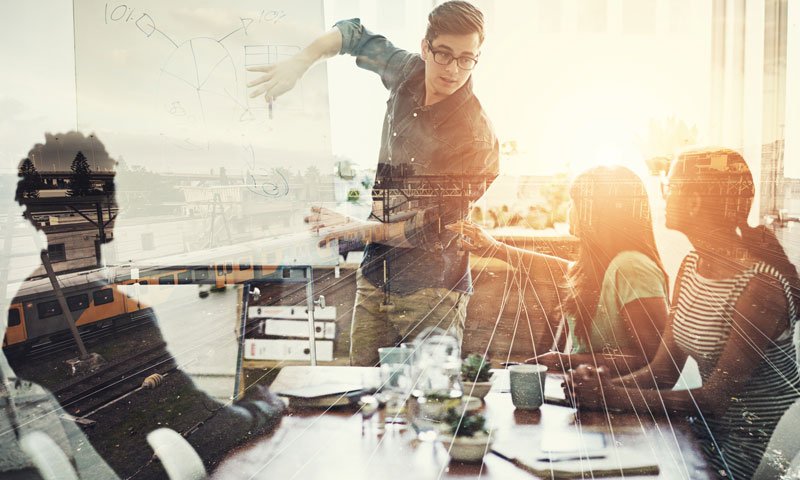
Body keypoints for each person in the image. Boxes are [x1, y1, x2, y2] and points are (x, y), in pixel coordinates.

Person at [7, 132, 284, 479]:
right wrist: (266, 407)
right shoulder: (109, 306)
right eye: (105, 195)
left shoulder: (28, 302)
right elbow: (201, 425)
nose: (115, 208)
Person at [250, 1, 499, 366]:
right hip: (375, 277)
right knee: (361, 398)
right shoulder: (407, 72)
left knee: (430, 403)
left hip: (433, 292)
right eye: (443, 54)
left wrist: (358, 229)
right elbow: (353, 33)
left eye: (466, 58)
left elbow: (434, 230)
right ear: (425, 47)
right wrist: (299, 62)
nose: (452, 69)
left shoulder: (476, 138)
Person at [567, 148, 800, 480]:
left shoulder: (760, 287)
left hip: (747, 450)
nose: (664, 196)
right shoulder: (692, 266)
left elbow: (716, 399)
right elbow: (662, 372)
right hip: (701, 433)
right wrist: (596, 389)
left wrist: (614, 396)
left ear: (695, 202)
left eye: (671, 187)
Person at [448, 165, 670, 374]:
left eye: (575, 202)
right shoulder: (604, 265)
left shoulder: (633, 267)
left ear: (601, 211)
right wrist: (495, 248)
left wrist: (567, 361)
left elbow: (654, 360)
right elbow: (564, 270)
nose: (568, 209)